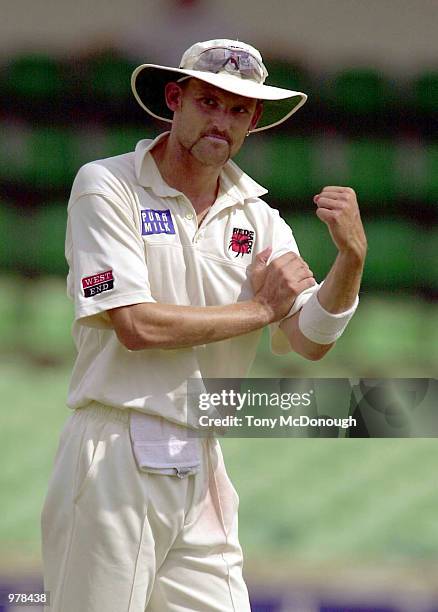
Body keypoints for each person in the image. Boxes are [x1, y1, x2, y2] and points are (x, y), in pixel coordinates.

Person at [41, 39, 367, 612]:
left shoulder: (258, 217)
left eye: (238, 109)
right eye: (210, 102)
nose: (222, 120)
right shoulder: (107, 185)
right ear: (175, 98)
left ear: (254, 121)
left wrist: (351, 262)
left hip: (202, 458)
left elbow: (310, 339)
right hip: (114, 447)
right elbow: (135, 324)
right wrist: (260, 310)